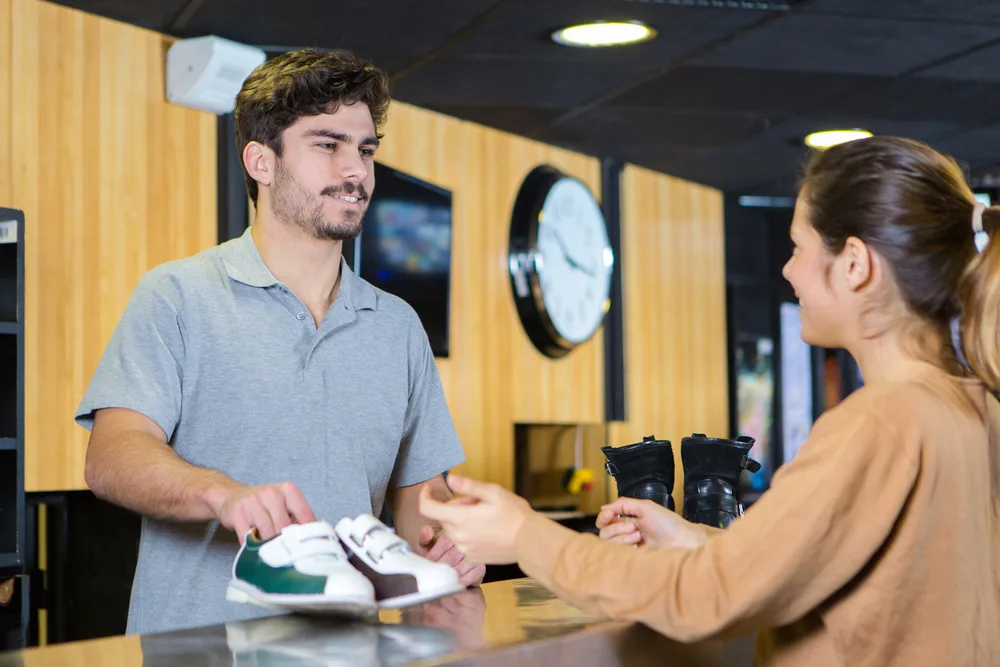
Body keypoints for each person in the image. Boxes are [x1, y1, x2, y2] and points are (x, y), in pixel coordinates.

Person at [420, 136, 1000, 666]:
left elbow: (705, 602)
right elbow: (862, 569)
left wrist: (524, 535)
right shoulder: (973, 407)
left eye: (797, 247)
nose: (787, 269)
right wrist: (697, 540)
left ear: (854, 264)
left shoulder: (880, 422)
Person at [76, 48, 484, 635]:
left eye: (365, 149)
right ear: (261, 162)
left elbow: (420, 490)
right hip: (199, 650)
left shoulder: (397, 327)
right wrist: (221, 494)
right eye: (328, 145)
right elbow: (111, 457)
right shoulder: (177, 295)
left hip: (351, 647)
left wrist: (445, 541)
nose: (357, 171)